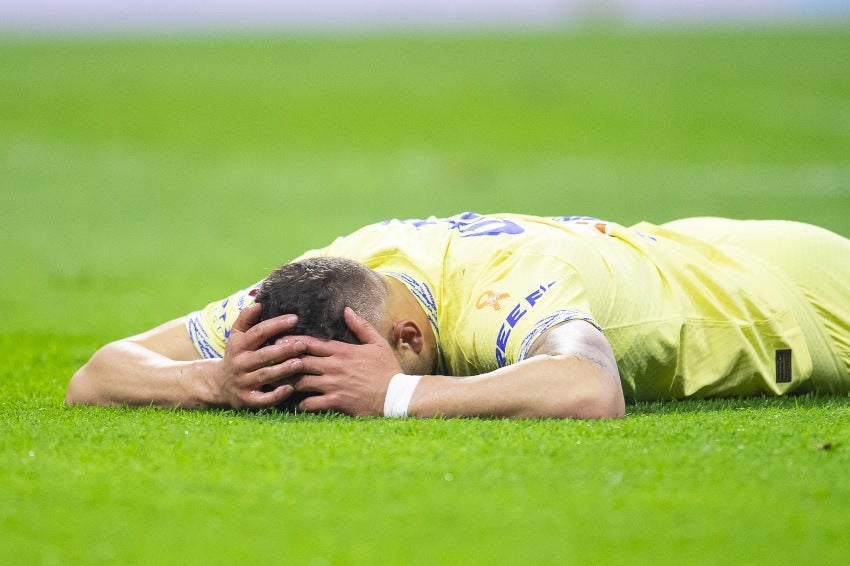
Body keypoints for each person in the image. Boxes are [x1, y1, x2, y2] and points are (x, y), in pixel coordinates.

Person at [66, 212, 850, 419]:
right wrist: (219, 380)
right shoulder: (336, 274)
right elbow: (97, 373)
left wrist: (392, 395)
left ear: (404, 337)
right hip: (691, 253)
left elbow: (588, 391)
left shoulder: (500, 301)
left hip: (799, 301)